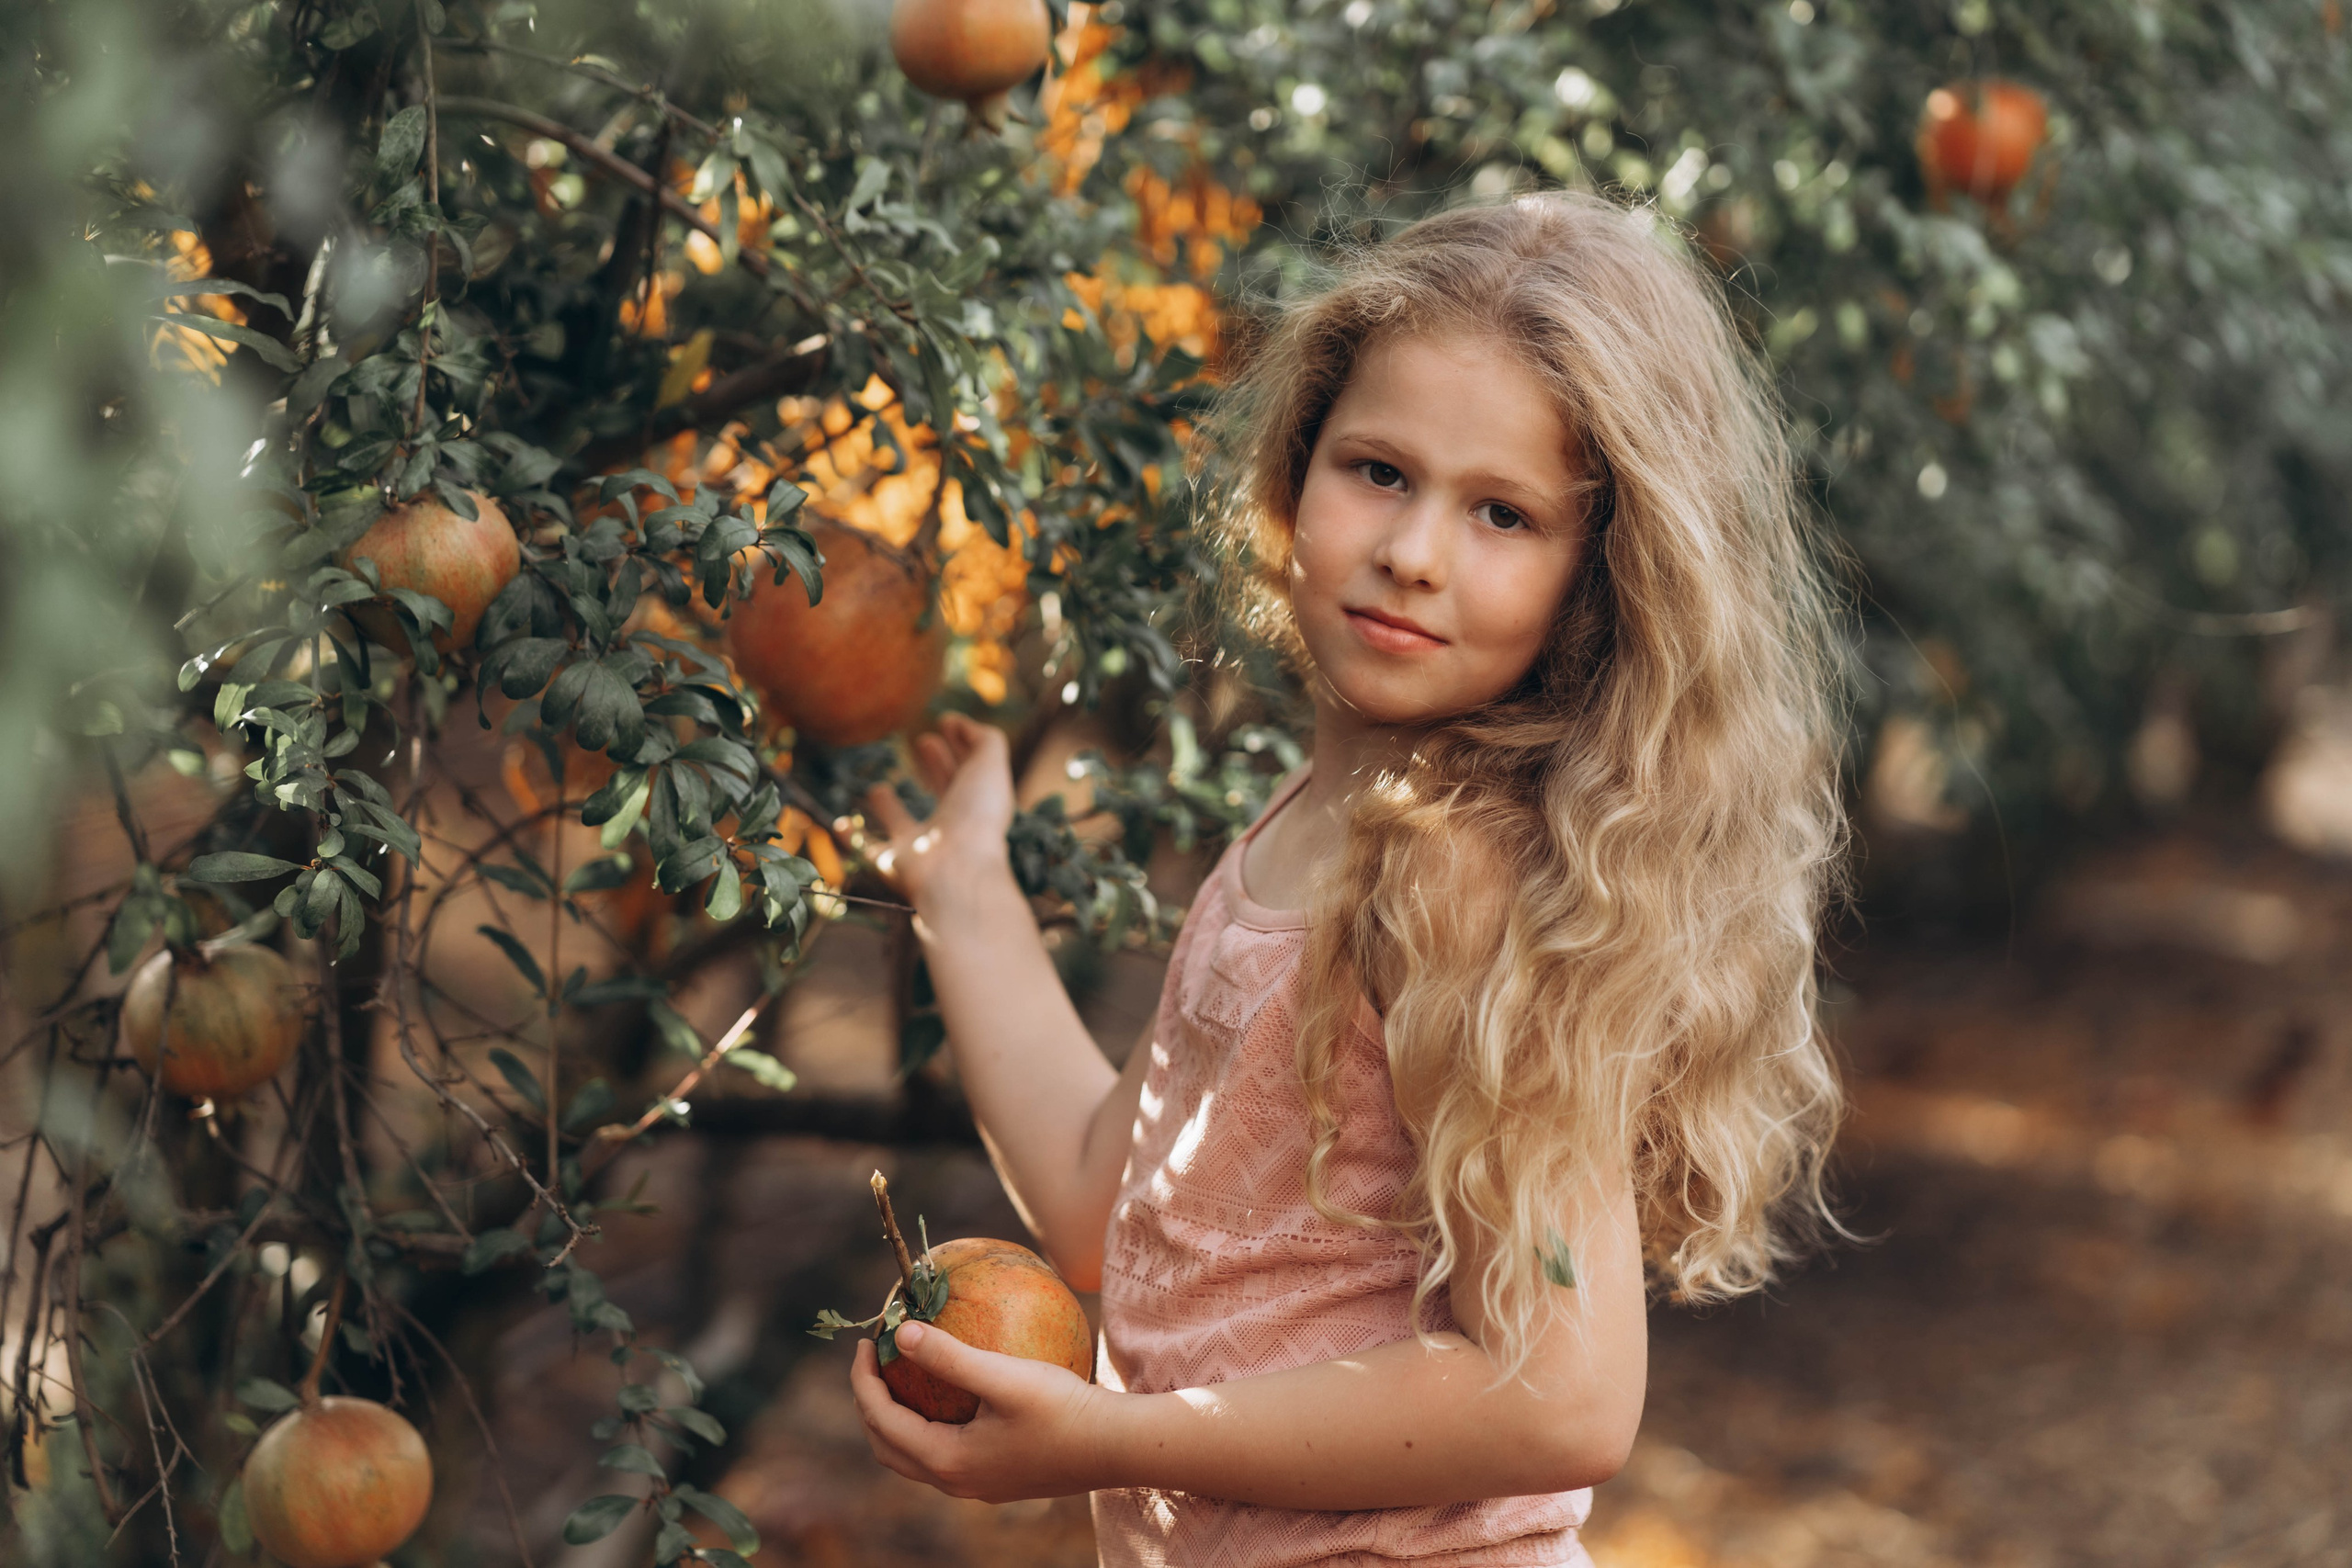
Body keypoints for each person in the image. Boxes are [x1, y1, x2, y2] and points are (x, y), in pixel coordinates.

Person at [849, 190, 1848, 1566]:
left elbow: (1560, 1390)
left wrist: (1113, 1437)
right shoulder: (1314, 826)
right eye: (1379, 470)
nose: (1414, 552)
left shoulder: (1449, 880)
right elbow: (1109, 1199)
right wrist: (968, 892)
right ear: (1295, 469)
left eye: (1502, 513)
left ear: (1599, 578)